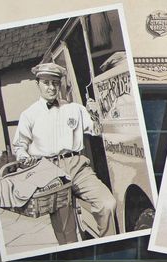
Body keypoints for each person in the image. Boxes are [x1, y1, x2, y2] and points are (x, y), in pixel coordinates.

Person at [11, 61, 116, 244]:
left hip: (78, 166)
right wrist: (25, 158)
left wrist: (95, 113)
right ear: (38, 84)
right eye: (46, 82)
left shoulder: (75, 109)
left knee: (107, 203)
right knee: (66, 229)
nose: (51, 87)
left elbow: (97, 130)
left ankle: (108, 245)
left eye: (55, 83)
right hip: (50, 173)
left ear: (59, 84)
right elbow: (20, 146)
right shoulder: (29, 115)